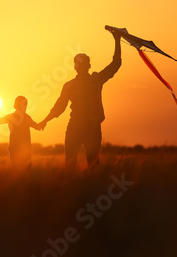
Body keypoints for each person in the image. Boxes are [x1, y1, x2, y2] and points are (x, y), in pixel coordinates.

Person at [39, 30, 122, 168]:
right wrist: (45, 120)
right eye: (80, 64)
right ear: (76, 66)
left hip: (90, 128)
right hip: (76, 127)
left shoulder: (96, 80)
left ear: (86, 66)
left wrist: (117, 40)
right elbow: (59, 107)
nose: (82, 67)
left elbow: (115, 64)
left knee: (91, 164)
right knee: (74, 164)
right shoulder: (74, 85)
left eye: (83, 64)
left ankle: (88, 187)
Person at [0, 96, 43, 166]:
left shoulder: (9, 117)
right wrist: (44, 122)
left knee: (14, 170)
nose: (26, 106)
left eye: (26, 104)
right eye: (24, 104)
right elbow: (38, 127)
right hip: (25, 149)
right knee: (26, 171)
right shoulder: (27, 117)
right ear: (19, 105)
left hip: (13, 148)